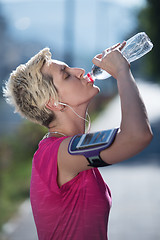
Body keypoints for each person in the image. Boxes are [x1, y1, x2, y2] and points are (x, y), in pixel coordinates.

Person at [3, 42, 153, 240]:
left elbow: (132, 135)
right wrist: (122, 72)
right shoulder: (60, 153)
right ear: (53, 102)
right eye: (66, 75)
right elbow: (135, 136)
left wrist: (122, 71)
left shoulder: (66, 148)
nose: (80, 71)